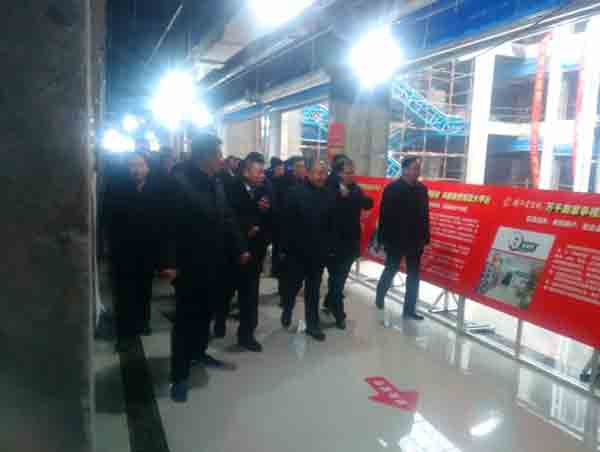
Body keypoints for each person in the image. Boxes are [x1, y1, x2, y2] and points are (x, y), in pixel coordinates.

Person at [169, 134, 249, 403]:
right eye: (218, 155)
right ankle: (179, 375)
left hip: (215, 261)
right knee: (185, 320)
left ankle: (199, 352)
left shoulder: (216, 181)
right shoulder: (180, 182)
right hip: (189, 264)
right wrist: (169, 263)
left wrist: (240, 247)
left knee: (206, 313)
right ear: (205, 157)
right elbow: (168, 227)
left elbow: (227, 217)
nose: (222, 159)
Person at [104, 152, 160, 349]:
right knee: (124, 293)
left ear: (148, 168)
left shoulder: (155, 190)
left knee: (144, 289)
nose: (136, 169)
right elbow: (109, 220)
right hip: (123, 251)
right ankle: (126, 333)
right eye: (132, 165)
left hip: (147, 251)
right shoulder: (116, 189)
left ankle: (143, 322)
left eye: (140, 165)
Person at [280, 161, 333, 341]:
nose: (321, 177)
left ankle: (313, 324)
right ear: (308, 173)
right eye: (318, 173)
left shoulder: (328, 194)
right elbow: (285, 223)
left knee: (313, 290)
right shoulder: (294, 193)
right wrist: (284, 250)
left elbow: (330, 224)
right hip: (297, 252)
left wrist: (328, 248)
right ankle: (287, 309)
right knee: (292, 287)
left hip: (318, 253)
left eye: (324, 173)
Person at [226, 154, 273, 352]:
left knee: (250, 295)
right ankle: (219, 321)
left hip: (255, 252)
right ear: (246, 172)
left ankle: (246, 334)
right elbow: (227, 218)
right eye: (259, 172)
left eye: (263, 171)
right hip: (232, 252)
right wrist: (246, 228)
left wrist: (266, 211)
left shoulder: (264, 189)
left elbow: (271, 216)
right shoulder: (230, 188)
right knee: (225, 292)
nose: (263, 175)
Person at [375, 157, 430, 321]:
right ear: (404, 169)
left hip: (416, 240)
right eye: (414, 168)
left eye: (418, 168)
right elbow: (384, 216)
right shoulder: (392, 189)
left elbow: (425, 215)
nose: (417, 172)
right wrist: (382, 239)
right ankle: (380, 296)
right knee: (391, 269)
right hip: (396, 239)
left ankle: (409, 309)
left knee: (413, 276)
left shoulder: (422, 189)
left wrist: (426, 236)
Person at [325, 158, 373, 329]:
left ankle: (329, 302)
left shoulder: (354, 188)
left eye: (353, 172)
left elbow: (368, 203)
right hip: (333, 243)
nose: (352, 175)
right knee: (337, 279)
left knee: (340, 278)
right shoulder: (329, 188)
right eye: (348, 172)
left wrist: (353, 196)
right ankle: (339, 314)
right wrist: (348, 198)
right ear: (338, 173)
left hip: (351, 242)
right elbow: (330, 210)